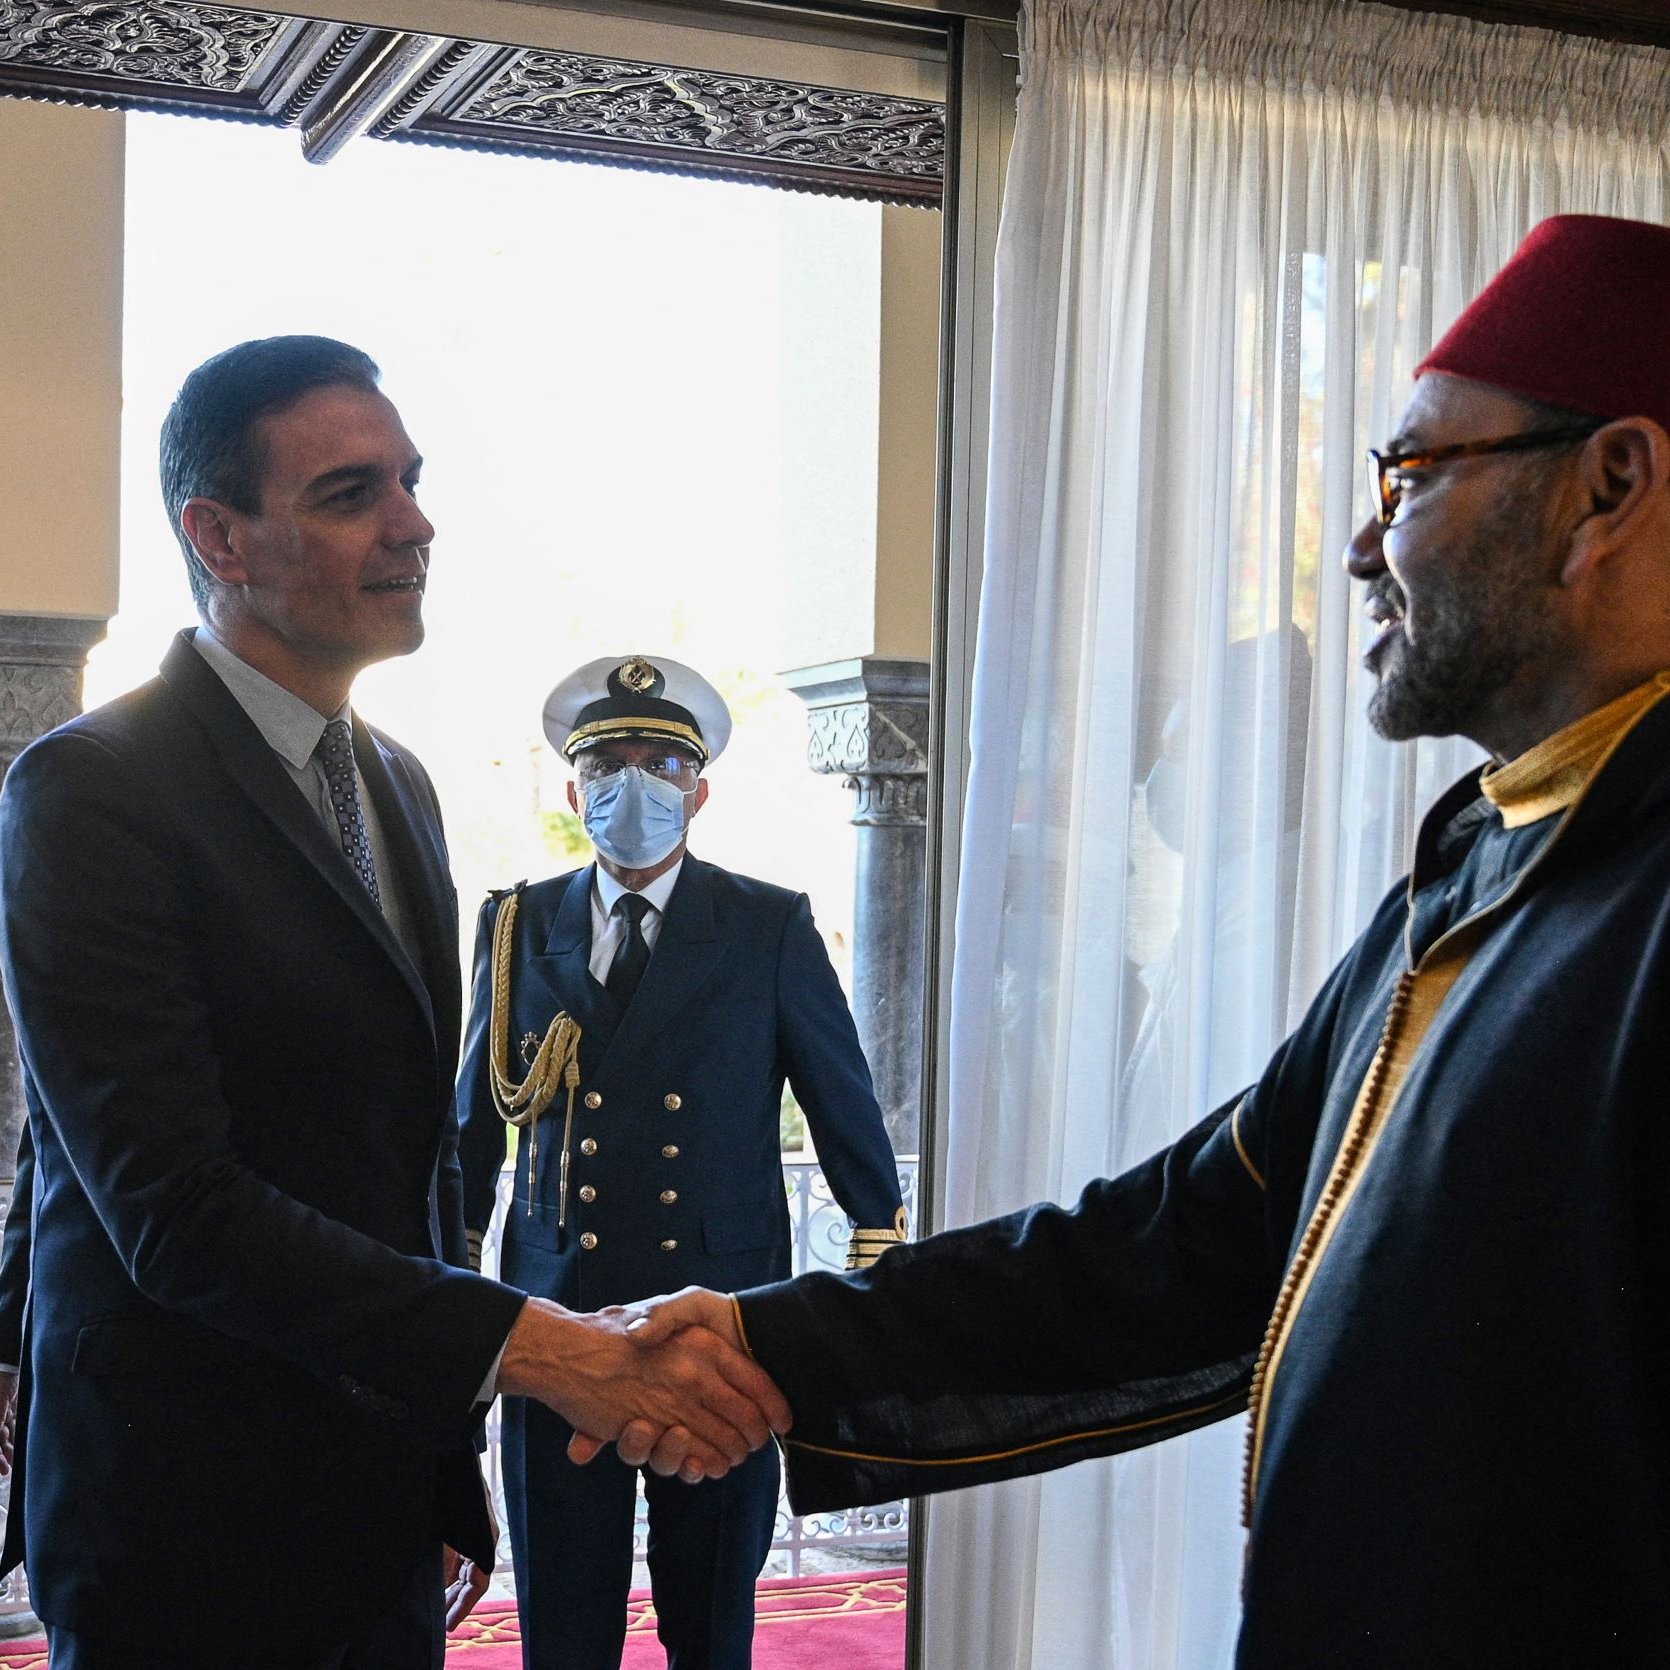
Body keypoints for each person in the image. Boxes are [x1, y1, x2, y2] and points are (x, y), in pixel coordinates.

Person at [604, 214, 1670, 1665]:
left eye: (1409, 474)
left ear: (1606, 485)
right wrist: (770, 1338)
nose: (1360, 545)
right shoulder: (1484, 856)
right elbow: (1193, 1238)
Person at [0, 338, 786, 1669]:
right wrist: (536, 1348)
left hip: (375, 1487)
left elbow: (405, 1164)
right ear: (220, 535)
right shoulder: (96, 788)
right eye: (351, 491)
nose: (413, 523)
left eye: (410, 482)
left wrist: (438, 1464)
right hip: (184, 1505)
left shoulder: (399, 783)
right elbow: (169, 1205)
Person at [457, 654, 905, 1669]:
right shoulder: (517, 922)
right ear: (574, 792)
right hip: (553, 1311)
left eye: (660, 763)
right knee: (562, 1609)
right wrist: (447, 1284)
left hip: (718, 1307)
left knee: (709, 1607)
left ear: (698, 789)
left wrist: (876, 1241)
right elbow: (473, 1127)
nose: (633, 785)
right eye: (607, 763)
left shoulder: (765, 923)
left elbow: (838, 1096)